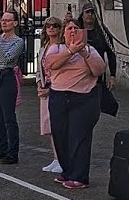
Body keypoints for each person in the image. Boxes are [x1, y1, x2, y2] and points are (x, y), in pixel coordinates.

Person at [44, 18, 106, 188]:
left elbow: (99, 70)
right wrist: (71, 51)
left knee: (79, 137)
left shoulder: (90, 50)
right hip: (59, 97)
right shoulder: (56, 48)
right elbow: (51, 64)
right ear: (63, 33)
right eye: (69, 28)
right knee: (60, 136)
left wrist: (84, 53)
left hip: (83, 98)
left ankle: (79, 176)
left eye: (76, 28)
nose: (72, 31)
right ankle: (67, 171)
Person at [0, 10, 26, 164]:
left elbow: (7, 59)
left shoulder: (18, 41)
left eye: (8, 20)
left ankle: (13, 152)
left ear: (15, 23)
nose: (4, 22)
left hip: (6, 77)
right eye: (3, 20)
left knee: (9, 117)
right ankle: (2, 148)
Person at [35, 16, 64, 174]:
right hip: (45, 87)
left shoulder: (62, 48)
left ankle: (62, 159)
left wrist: (50, 89)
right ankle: (56, 157)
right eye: (48, 26)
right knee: (49, 127)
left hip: (56, 88)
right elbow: (39, 69)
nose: (51, 28)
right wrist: (39, 83)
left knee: (58, 126)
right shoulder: (44, 47)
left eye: (55, 25)